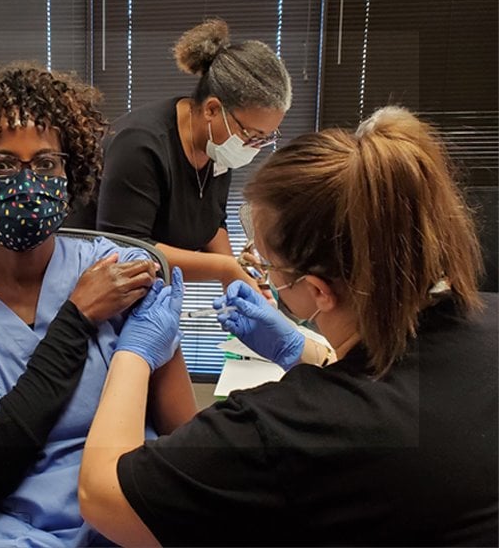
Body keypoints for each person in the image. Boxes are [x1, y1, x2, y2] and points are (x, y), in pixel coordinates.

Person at [78, 106, 498, 546]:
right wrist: (301, 348)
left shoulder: (292, 426)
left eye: (270, 266)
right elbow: (395, 381)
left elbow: (103, 495)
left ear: (317, 291)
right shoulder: (488, 318)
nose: (265, 276)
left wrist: (136, 351)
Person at [0, 63, 197, 547]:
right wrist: (78, 316)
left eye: (45, 164)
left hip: (121, 504)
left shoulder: (120, 270)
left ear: (68, 173)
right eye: (0, 165)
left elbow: (183, 434)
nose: (26, 183)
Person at [67, 18, 291, 291]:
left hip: (148, 290)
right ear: (211, 110)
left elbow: (212, 221)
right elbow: (125, 247)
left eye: (266, 137)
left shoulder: (218, 146)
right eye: (251, 134)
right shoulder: (140, 144)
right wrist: (225, 269)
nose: (255, 146)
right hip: (91, 289)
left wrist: (239, 278)